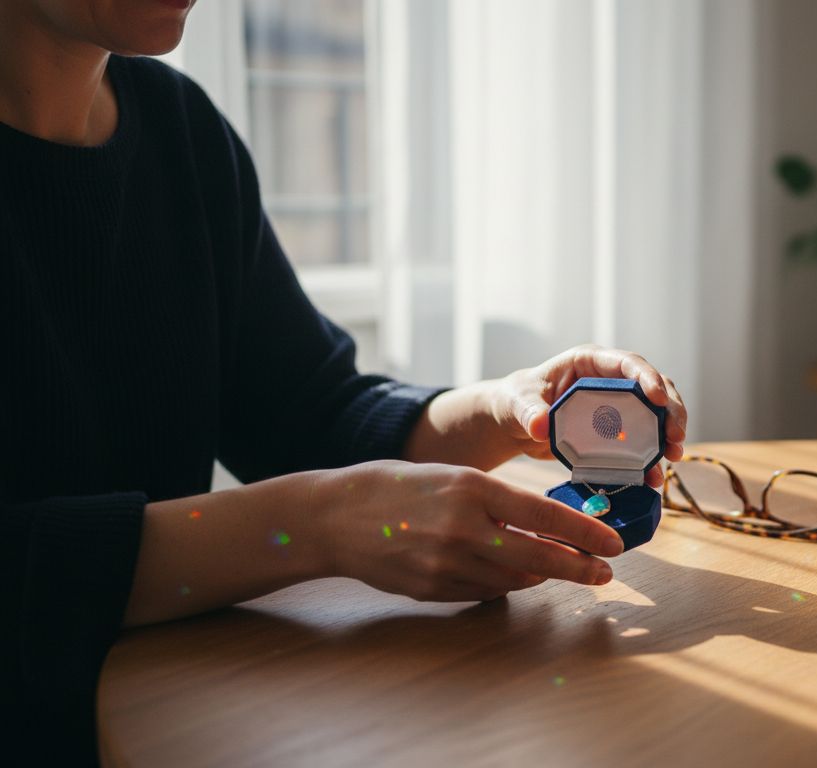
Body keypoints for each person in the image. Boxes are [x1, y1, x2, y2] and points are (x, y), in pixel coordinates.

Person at [0, 0, 688, 761]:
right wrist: (316, 524)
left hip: (170, 722)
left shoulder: (179, 131)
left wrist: (504, 407)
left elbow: (309, 413)